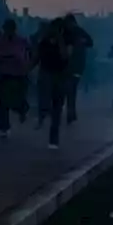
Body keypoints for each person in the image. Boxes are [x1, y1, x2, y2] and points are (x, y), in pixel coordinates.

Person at [35, 19, 71, 149]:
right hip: (46, 75)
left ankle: (53, 138)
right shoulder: (44, 43)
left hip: (59, 76)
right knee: (44, 99)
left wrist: (60, 40)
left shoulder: (66, 42)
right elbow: (36, 57)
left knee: (57, 108)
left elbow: (65, 57)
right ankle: (42, 115)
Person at [0, 18, 32, 138]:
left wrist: (27, 64)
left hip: (17, 74)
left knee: (15, 100)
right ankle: (4, 126)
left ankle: (22, 109)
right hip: (2, 74)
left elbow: (31, 52)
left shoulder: (21, 41)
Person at [62, 13, 93, 123]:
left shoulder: (79, 32)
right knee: (67, 88)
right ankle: (69, 111)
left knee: (71, 87)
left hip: (76, 64)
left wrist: (82, 42)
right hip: (64, 64)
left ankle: (71, 111)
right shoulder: (62, 32)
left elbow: (90, 42)